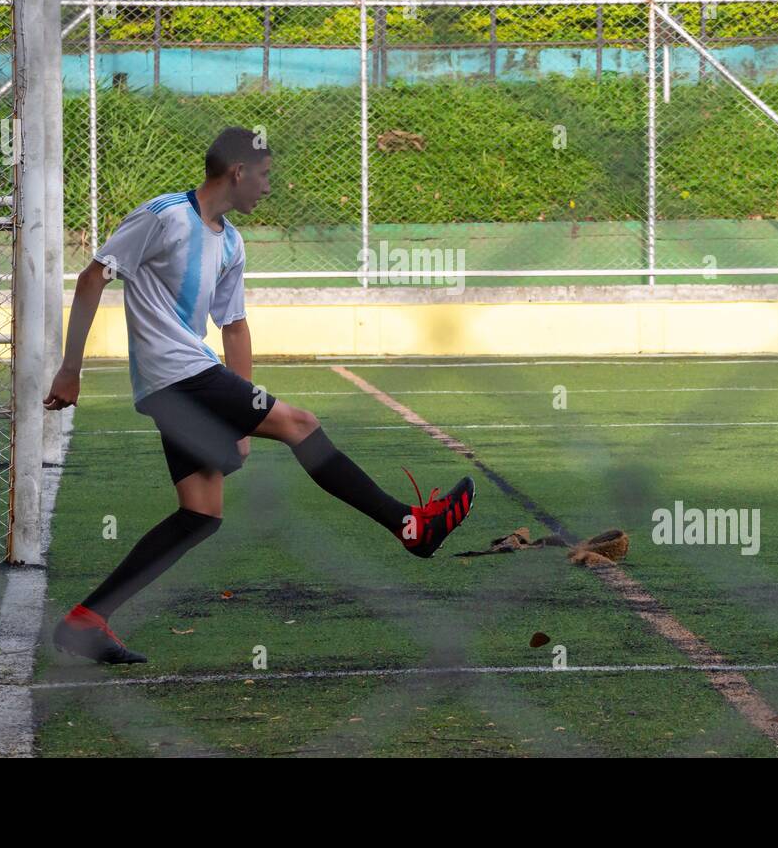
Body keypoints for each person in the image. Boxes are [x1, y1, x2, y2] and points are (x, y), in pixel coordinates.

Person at [43, 126, 476, 664]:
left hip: (183, 381)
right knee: (300, 424)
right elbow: (91, 280)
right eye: (266, 175)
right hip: (178, 373)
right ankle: (410, 526)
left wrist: (242, 418)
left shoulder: (231, 241)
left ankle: (86, 619)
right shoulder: (163, 216)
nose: (269, 188)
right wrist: (70, 370)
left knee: (200, 513)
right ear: (238, 172)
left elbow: (235, 327)